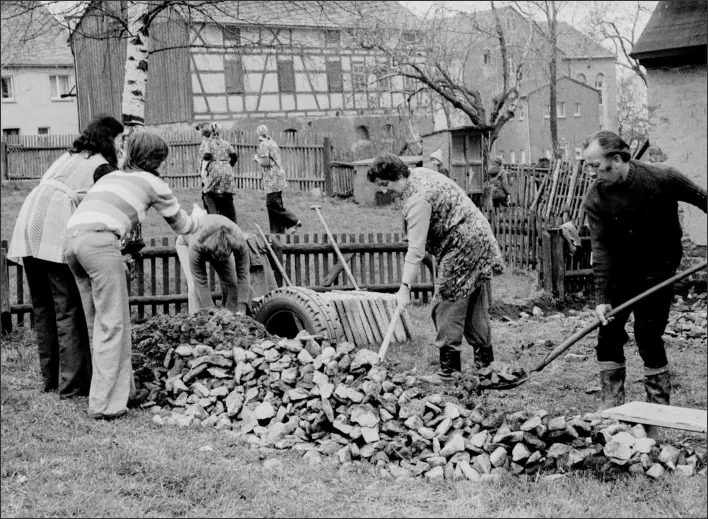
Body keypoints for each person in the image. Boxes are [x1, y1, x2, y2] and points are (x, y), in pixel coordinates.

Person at [65, 131, 201, 419]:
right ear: (157, 159)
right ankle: (104, 405)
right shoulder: (153, 183)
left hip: (73, 242)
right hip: (100, 243)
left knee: (98, 323)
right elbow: (183, 226)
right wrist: (199, 217)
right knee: (114, 325)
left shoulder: (113, 176)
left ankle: (121, 392)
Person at [582, 130, 707, 429]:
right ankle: (611, 412)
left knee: (648, 337)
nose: (591, 172)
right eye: (588, 166)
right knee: (607, 337)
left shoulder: (662, 178)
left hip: (658, 273)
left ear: (616, 159)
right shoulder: (595, 197)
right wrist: (602, 298)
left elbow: (703, 199)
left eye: (595, 165)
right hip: (619, 274)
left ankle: (657, 414)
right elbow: (601, 249)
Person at [7, 114, 124, 398]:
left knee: (43, 307)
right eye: (121, 140)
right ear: (109, 139)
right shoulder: (101, 166)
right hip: (54, 223)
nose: (122, 147)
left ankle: (51, 379)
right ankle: (73, 385)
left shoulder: (69, 157)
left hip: (29, 222)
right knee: (67, 307)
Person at [367, 153, 504, 384]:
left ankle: (449, 372)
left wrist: (404, 288)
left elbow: (416, 250)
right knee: (472, 304)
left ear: (397, 175)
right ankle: (486, 365)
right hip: (479, 239)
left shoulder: (418, 200)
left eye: (385, 184)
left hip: (462, 246)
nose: (383, 190)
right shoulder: (419, 174)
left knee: (446, 304)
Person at [175, 205, 251, 316]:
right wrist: (211, 312)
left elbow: (243, 275)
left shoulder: (239, 241)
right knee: (194, 288)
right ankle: (197, 320)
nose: (219, 261)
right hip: (186, 243)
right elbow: (200, 281)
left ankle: (230, 317)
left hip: (218, 244)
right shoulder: (196, 245)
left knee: (232, 283)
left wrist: (241, 309)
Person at [253, 125, 301, 234]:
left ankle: (293, 221)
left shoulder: (263, 144)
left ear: (258, 135)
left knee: (271, 205)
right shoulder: (272, 142)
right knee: (276, 205)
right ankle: (277, 233)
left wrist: (257, 159)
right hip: (279, 176)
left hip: (272, 178)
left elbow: (265, 162)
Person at [201, 122, 239, 223]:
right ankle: (229, 218)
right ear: (221, 132)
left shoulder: (209, 143)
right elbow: (234, 156)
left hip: (215, 169)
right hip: (227, 170)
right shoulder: (226, 143)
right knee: (226, 194)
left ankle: (213, 217)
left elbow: (207, 156)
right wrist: (228, 165)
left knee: (206, 193)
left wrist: (204, 169)